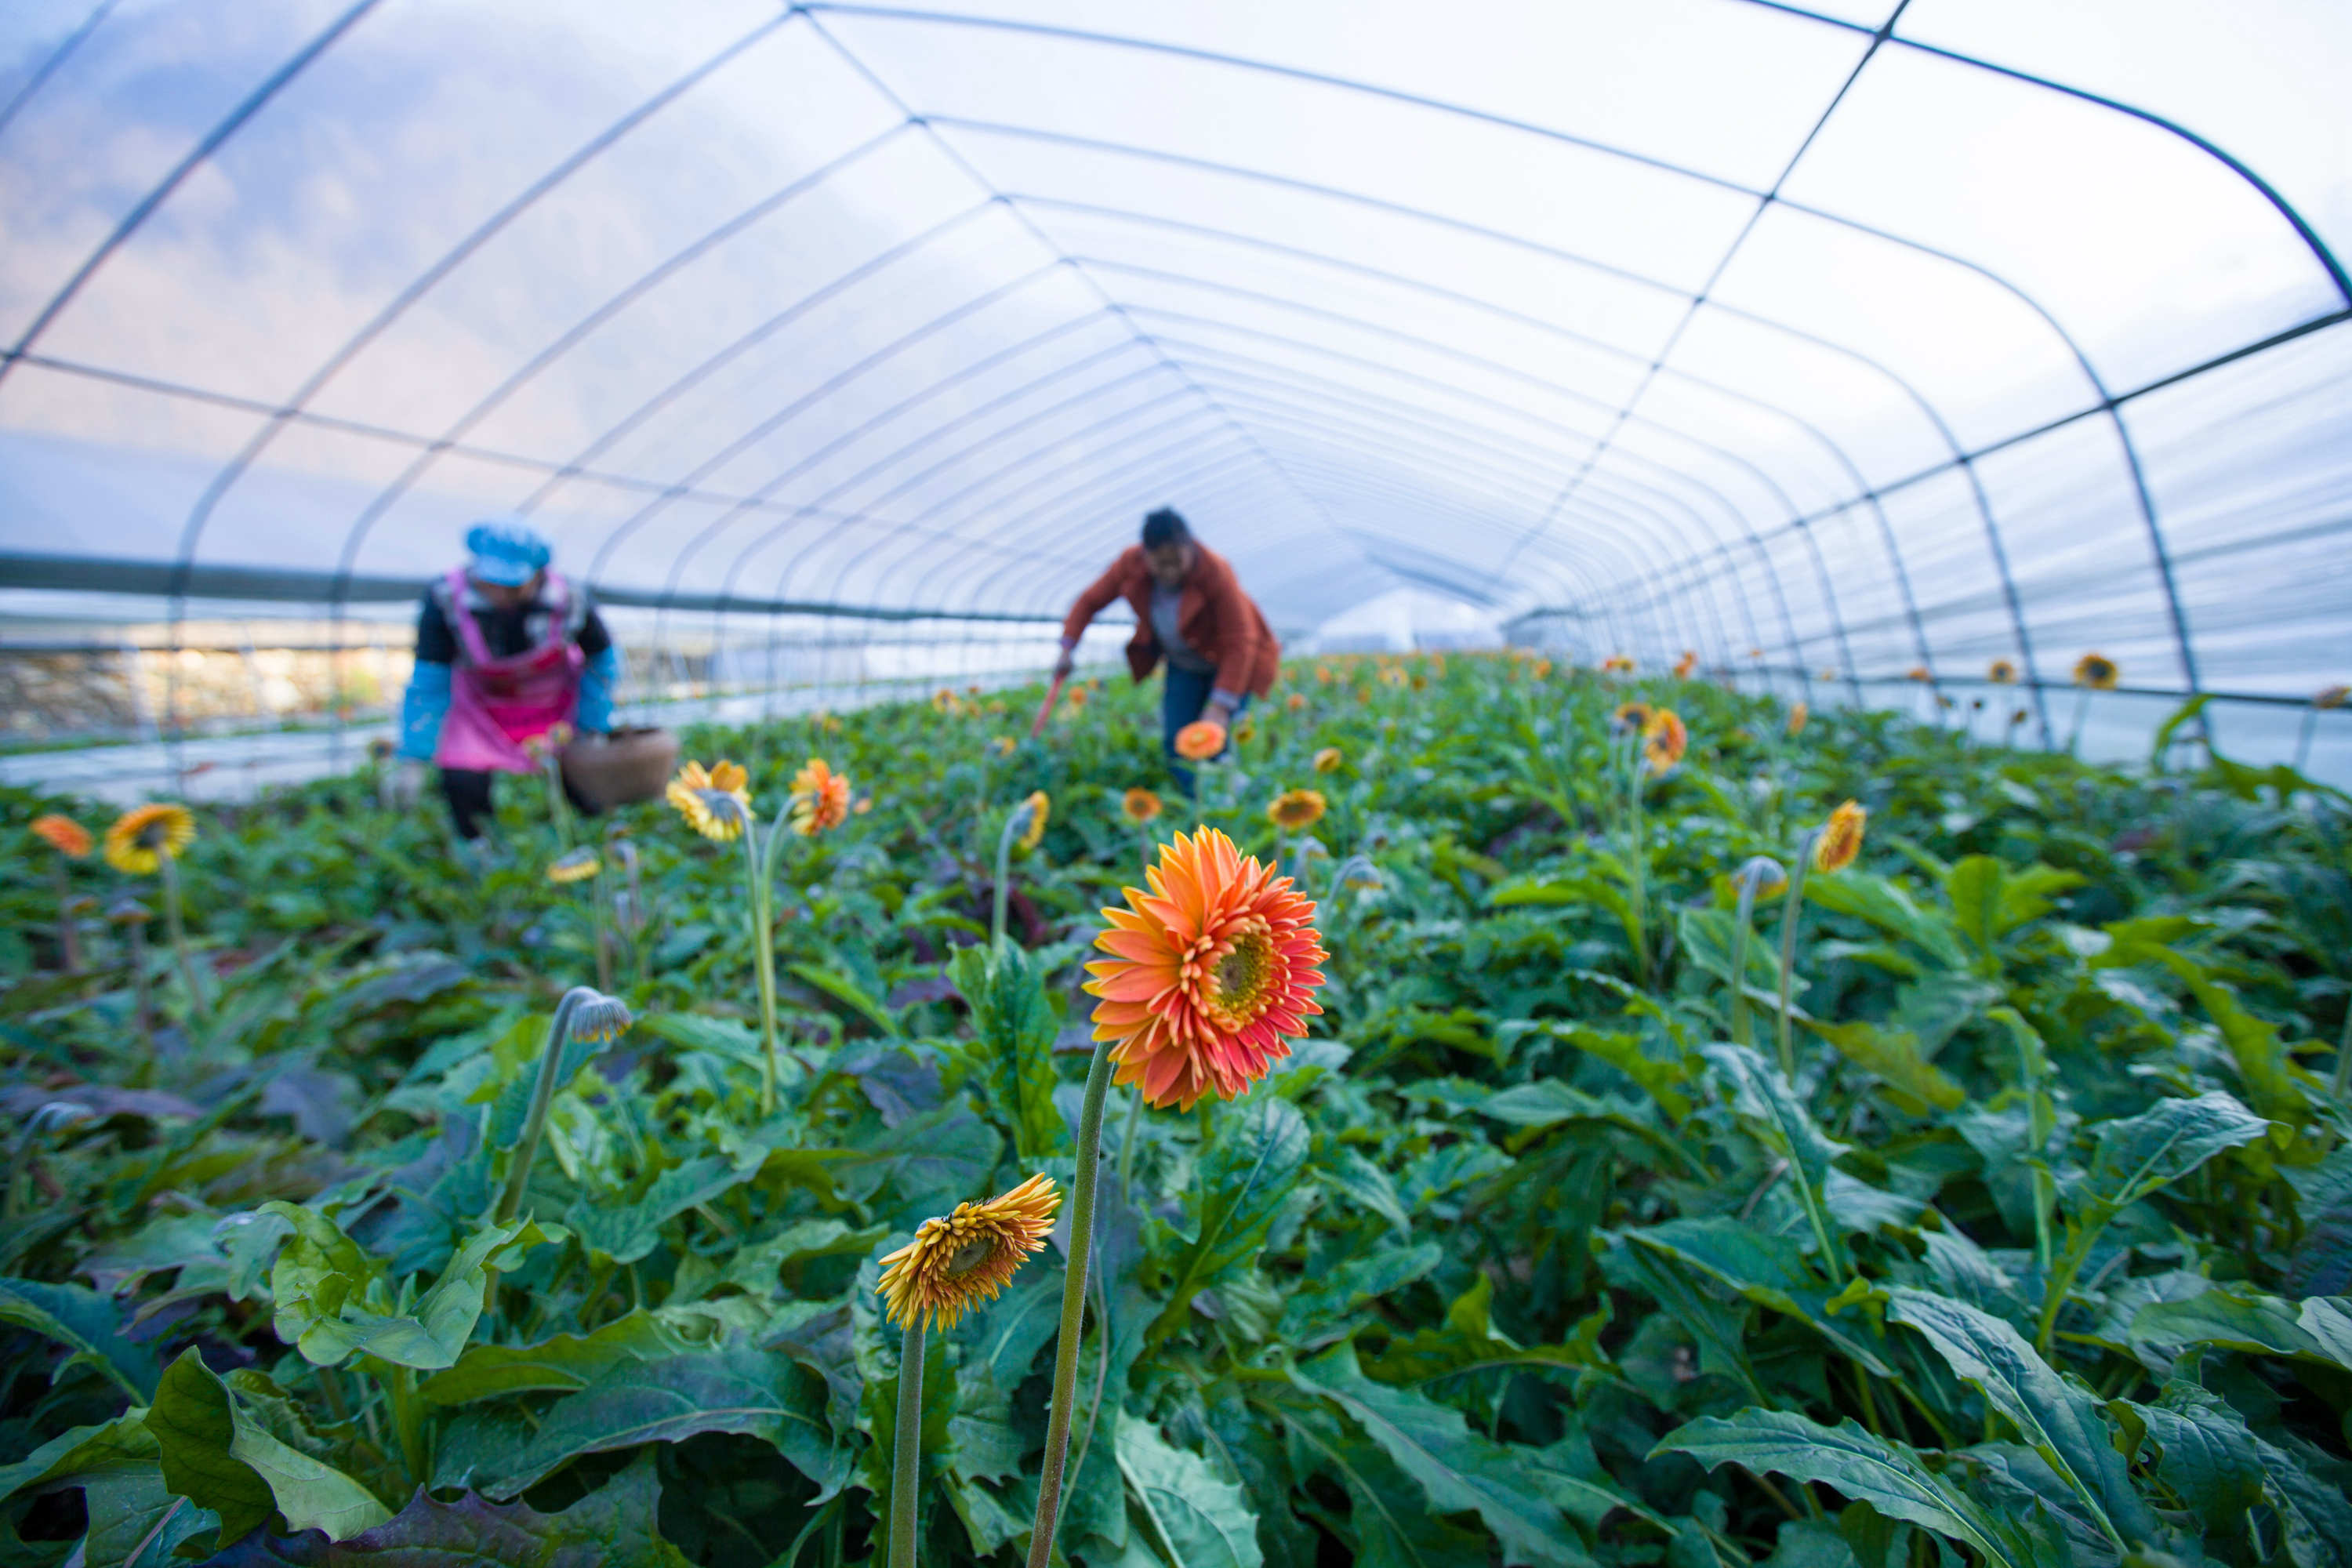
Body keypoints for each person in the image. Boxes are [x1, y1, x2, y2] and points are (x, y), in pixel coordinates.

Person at [392, 520, 619, 839]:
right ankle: (480, 855)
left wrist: (593, 724)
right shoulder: (446, 598)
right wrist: (414, 755)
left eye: (513, 586)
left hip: (555, 706)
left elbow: (601, 660)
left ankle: (594, 841)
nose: (500, 594)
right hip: (482, 708)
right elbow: (430, 677)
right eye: (490, 582)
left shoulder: (570, 599)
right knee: (462, 778)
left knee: (583, 778)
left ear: (539, 574)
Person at [1056, 509, 1278, 787]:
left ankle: (1226, 811)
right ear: (1145, 555)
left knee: (1217, 744)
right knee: (1178, 745)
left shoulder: (1215, 570)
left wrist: (1220, 704)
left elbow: (1240, 639)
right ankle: (1196, 810)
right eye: (1160, 563)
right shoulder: (1130, 564)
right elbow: (1089, 601)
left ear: (1190, 547)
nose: (1169, 570)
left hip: (1232, 667)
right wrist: (1067, 647)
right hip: (1184, 665)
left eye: (1176, 561)